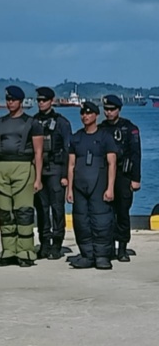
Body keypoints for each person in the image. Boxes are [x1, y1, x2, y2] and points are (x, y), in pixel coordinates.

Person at [0, 85, 44, 267]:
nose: (10, 102)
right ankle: (8, 250)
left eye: (13, 99)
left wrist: (38, 179)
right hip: (2, 167)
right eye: (8, 99)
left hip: (24, 167)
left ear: (20, 101)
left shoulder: (32, 122)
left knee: (24, 212)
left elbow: (38, 152)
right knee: (4, 213)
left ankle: (26, 251)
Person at [66, 101, 117, 270]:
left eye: (88, 113)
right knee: (81, 221)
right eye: (83, 114)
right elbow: (71, 165)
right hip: (80, 186)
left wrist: (110, 188)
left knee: (101, 220)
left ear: (96, 115)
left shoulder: (105, 137)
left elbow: (112, 163)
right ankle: (87, 255)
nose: (85, 116)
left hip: (99, 184)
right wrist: (69, 188)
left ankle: (102, 256)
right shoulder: (77, 137)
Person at [98, 94, 142, 262]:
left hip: (124, 176)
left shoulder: (130, 128)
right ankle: (109, 247)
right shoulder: (101, 129)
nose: (108, 113)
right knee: (106, 213)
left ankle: (122, 248)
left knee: (122, 212)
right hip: (105, 176)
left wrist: (136, 179)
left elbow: (136, 154)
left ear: (119, 110)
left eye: (112, 109)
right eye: (106, 110)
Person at [32, 87, 71, 260]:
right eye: (39, 100)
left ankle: (57, 244)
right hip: (39, 170)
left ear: (51, 101)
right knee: (41, 209)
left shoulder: (61, 122)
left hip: (56, 169)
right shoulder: (33, 121)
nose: (41, 103)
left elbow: (68, 149)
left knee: (57, 209)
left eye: (44, 100)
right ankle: (44, 243)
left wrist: (65, 175)